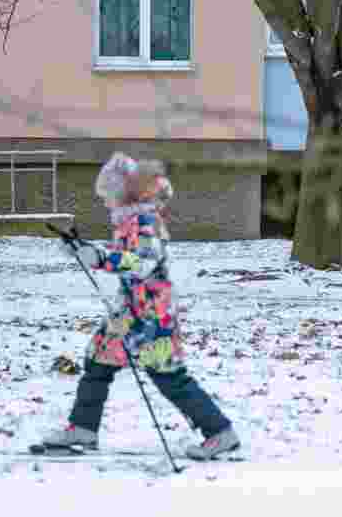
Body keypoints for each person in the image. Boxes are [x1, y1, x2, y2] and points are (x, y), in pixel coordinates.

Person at [42, 153, 240, 461]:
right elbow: (125, 260)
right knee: (97, 360)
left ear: (123, 195)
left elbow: (143, 262)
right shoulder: (128, 222)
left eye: (107, 196)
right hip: (128, 313)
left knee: (168, 376)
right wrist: (85, 250)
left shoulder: (146, 222)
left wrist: (101, 259)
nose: (105, 202)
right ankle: (82, 428)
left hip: (151, 318)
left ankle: (219, 432)